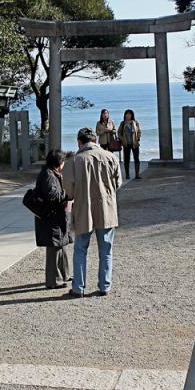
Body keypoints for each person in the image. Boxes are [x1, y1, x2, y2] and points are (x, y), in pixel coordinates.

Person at [63, 127, 122, 298]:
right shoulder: (111, 157)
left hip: (84, 209)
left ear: (79, 141)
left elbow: (69, 190)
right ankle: (104, 286)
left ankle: (78, 287)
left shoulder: (74, 161)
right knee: (106, 249)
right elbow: (118, 183)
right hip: (106, 208)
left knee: (80, 249)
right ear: (95, 140)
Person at [34, 149, 72, 289]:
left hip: (56, 217)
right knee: (54, 248)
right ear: (59, 163)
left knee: (62, 246)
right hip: (50, 218)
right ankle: (53, 281)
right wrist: (67, 194)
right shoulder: (48, 176)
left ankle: (64, 274)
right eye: (63, 161)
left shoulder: (52, 173)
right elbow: (53, 197)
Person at [119, 109, 142, 180]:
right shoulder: (122, 123)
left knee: (136, 159)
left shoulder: (135, 123)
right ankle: (127, 174)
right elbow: (119, 133)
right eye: (127, 114)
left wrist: (138, 138)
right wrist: (122, 140)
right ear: (125, 115)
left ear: (132, 115)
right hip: (126, 144)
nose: (128, 115)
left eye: (129, 114)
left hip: (134, 143)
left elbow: (139, 131)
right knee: (126, 159)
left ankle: (137, 175)